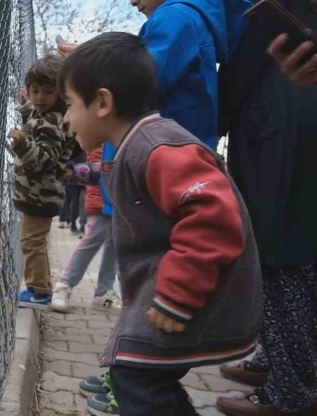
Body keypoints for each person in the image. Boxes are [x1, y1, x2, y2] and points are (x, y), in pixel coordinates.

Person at [57, 0, 251, 408]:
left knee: (136, 374)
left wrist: (178, 293)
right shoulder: (133, 146)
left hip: (194, 288)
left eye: (70, 104)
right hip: (173, 284)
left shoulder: (156, 147)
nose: (65, 119)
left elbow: (214, 215)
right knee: (133, 369)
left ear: (103, 103)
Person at [213, 1, 317, 414]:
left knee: (282, 263)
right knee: (290, 261)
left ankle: (291, 394)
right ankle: (275, 363)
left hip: (286, 140)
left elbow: (236, 80)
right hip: (280, 127)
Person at [11, 54, 75, 310]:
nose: (39, 98)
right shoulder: (50, 116)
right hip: (40, 194)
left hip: (39, 195)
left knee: (31, 242)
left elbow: (45, 159)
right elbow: (38, 122)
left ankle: (39, 292)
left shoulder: (51, 121)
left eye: (48, 92)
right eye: (34, 90)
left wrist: (21, 143)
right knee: (33, 241)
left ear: (60, 94)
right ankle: (39, 288)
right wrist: (27, 108)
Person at [50, 147, 121, 313]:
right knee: (93, 240)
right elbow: (101, 165)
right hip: (105, 198)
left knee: (113, 244)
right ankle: (64, 286)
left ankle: (103, 292)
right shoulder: (107, 135)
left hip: (118, 198)